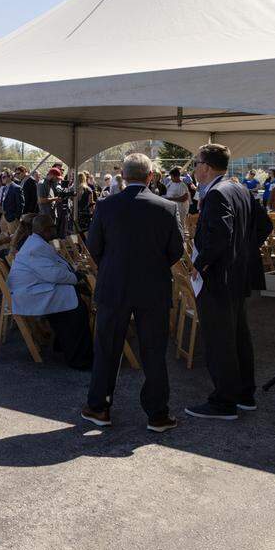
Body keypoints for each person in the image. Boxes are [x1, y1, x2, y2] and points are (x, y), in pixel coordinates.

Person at [82, 153, 183, 433]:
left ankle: (100, 407)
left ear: (123, 177)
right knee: (154, 351)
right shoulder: (166, 207)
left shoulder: (106, 206)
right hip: (153, 288)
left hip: (114, 285)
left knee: (107, 349)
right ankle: (157, 414)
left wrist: (113, 266)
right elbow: (177, 250)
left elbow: (93, 246)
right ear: (151, 176)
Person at [187, 143, 273, 420]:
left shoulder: (217, 193)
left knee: (219, 340)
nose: (195, 168)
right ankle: (244, 394)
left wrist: (199, 265)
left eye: (197, 163)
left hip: (220, 277)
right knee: (238, 336)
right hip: (237, 275)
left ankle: (224, 402)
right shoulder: (240, 189)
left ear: (207, 166)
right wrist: (244, 252)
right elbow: (264, 226)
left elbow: (220, 236)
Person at [7, 214, 93, 369]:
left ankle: (64, 345)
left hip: (35, 289)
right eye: (53, 226)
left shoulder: (36, 243)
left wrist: (73, 276)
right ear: (46, 230)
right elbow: (53, 274)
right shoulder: (36, 247)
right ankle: (79, 358)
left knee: (72, 298)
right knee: (76, 310)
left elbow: (54, 269)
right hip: (29, 294)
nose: (55, 228)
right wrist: (75, 277)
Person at [163, 167, 190, 232]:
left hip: (180, 209)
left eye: (172, 177)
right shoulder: (171, 183)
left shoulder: (182, 186)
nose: (171, 178)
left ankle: (181, 239)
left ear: (177, 176)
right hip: (171, 208)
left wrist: (170, 198)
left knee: (180, 225)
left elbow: (184, 198)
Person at [0, 171, 24, 235]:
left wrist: (16, 217)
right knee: (4, 236)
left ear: (10, 177)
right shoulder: (4, 188)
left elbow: (20, 204)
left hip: (12, 218)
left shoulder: (16, 188)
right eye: (1, 177)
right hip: (3, 216)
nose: (2, 179)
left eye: (4, 177)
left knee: (14, 237)